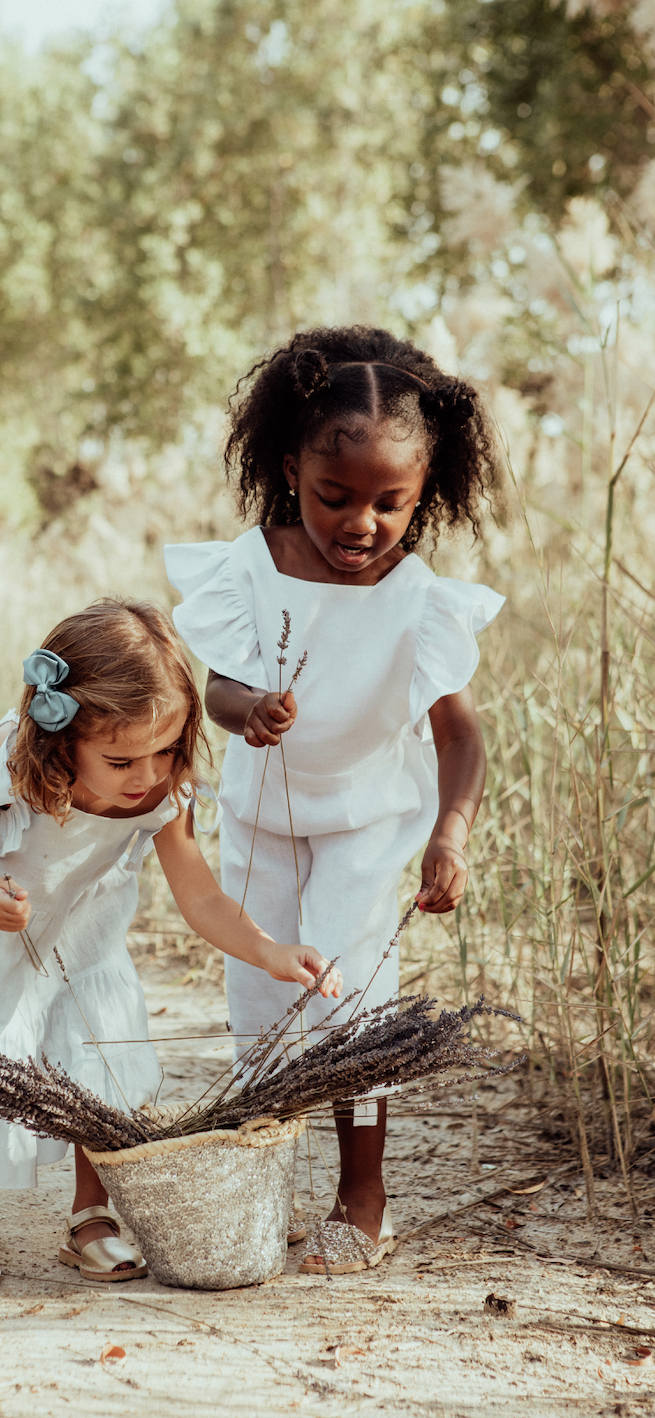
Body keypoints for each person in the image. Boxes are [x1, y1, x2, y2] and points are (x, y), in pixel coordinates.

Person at [164, 326, 504, 1274]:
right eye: (335, 497)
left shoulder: (419, 598)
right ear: (288, 468)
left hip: (361, 821)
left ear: (424, 491)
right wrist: (247, 711)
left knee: (352, 1000)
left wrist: (452, 831)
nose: (362, 523)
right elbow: (219, 685)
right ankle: (260, 1194)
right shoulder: (252, 568)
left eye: (391, 503)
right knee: (261, 998)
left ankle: (363, 1199)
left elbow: (459, 736)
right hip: (264, 815)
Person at [0, 598, 341, 1290]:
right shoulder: (8, 762)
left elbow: (202, 897)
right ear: (63, 737)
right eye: (122, 758)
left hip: (84, 945)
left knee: (100, 1072)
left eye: (165, 750)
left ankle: (91, 1216)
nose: (147, 774)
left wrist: (270, 951)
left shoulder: (161, 792)